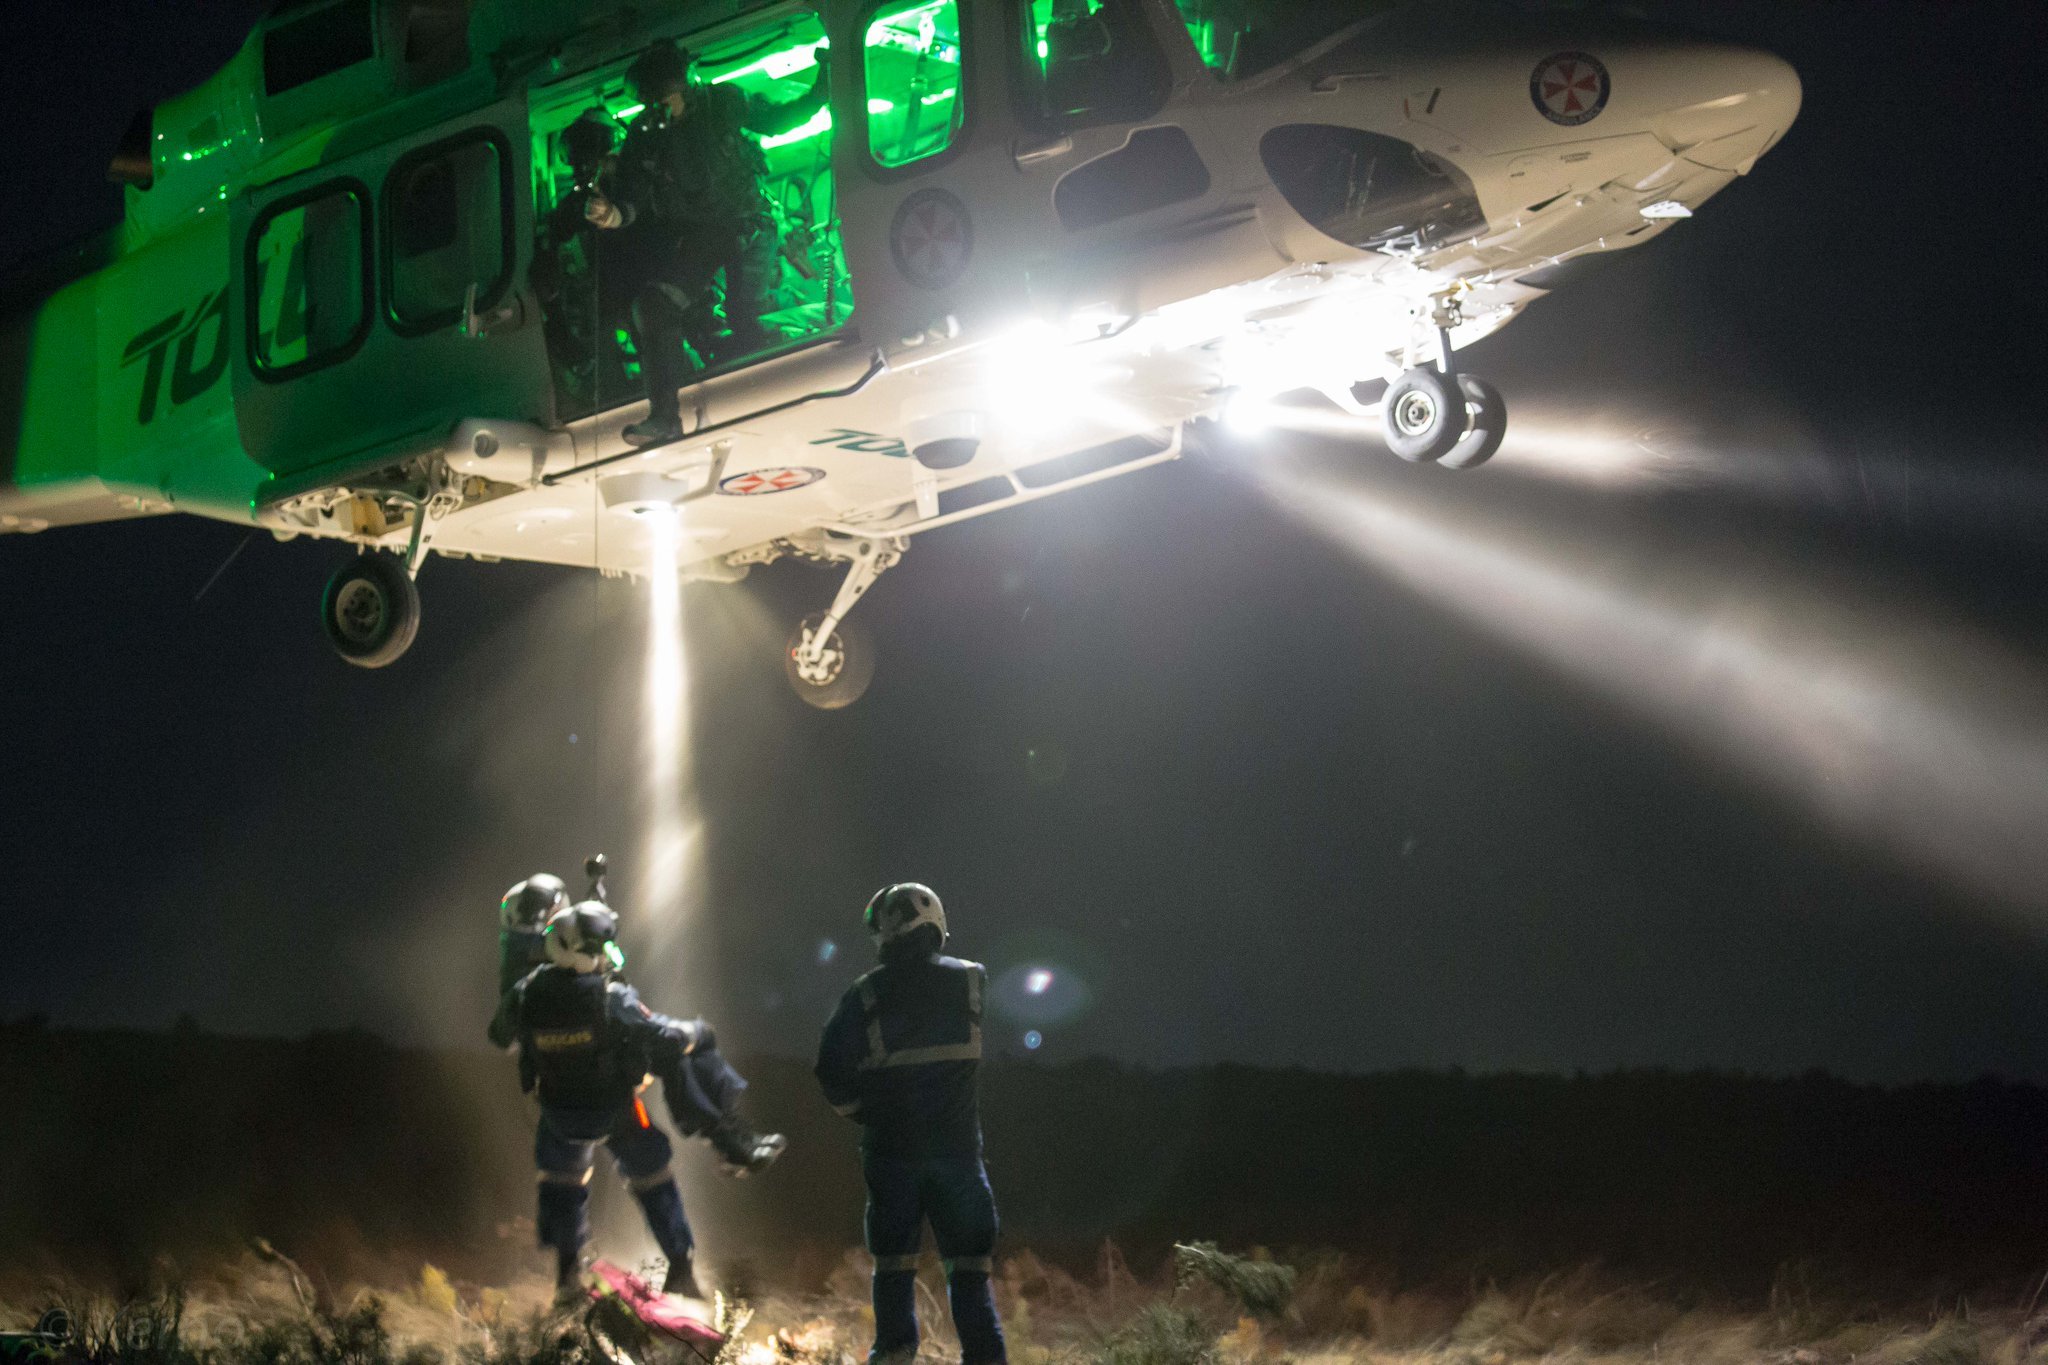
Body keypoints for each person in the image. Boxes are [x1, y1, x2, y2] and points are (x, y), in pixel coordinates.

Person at [497, 900, 786, 1299]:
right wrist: (696, 1033)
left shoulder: (526, 993)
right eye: (598, 949)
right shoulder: (611, 998)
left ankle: (566, 1279)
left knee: (561, 1179)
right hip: (612, 1111)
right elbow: (665, 1037)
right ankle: (722, 1156)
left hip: (558, 1114)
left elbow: (500, 1034)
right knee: (653, 1172)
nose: (604, 957)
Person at [585, 38, 832, 447]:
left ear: (686, 85)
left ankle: (778, 409)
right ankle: (664, 416)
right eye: (652, 102)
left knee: (742, 314)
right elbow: (631, 198)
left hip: (750, 225)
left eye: (666, 98)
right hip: (703, 235)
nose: (660, 109)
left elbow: (780, 120)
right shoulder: (646, 136)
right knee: (653, 304)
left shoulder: (724, 103)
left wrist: (825, 81)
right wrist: (612, 216)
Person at [489, 866, 786, 1182]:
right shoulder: (540, 964)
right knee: (681, 1044)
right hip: (592, 1058)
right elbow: (575, 985)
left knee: (676, 1048)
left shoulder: (530, 957)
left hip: (581, 1053)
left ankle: (730, 1136)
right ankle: (728, 1138)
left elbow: (512, 1025)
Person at [815, 884, 1007, 1365]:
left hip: (891, 1157)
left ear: (884, 933)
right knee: (969, 1274)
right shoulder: (972, 980)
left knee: (894, 1271)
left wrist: (865, 1114)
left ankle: (896, 1355)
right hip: (959, 1159)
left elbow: (830, 1071)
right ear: (935, 923)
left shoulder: (864, 994)